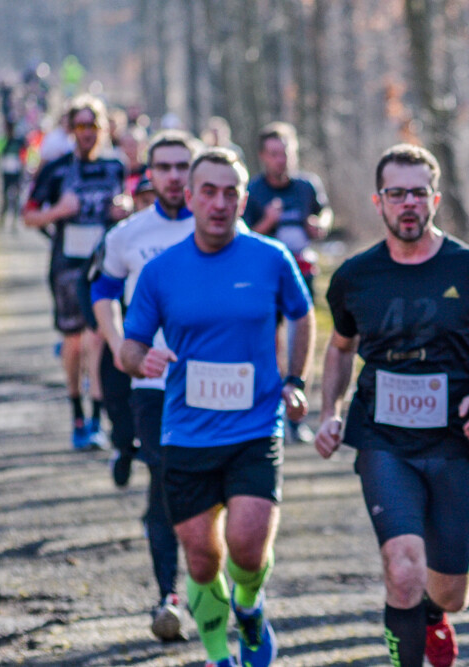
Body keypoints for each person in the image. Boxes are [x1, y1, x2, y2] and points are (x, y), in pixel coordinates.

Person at [119, 147, 316, 667]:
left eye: (231, 192)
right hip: (186, 434)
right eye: (208, 191)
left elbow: (303, 314)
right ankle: (217, 655)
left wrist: (296, 380)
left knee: (247, 548)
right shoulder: (161, 272)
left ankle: (249, 609)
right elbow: (128, 346)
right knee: (203, 560)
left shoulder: (270, 258)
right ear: (189, 198)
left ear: (244, 199)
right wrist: (144, 360)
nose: (220, 203)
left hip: (255, 429)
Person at [314, 143, 469, 667]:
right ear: (378, 201)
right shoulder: (355, 277)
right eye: (396, 193)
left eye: (417, 193)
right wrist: (329, 411)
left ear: (435, 199)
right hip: (383, 439)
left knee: (448, 592)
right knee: (403, 569)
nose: (407, 204)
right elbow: (340, 348)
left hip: (455, 441)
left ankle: (432, 615)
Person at [90, 130, 198, 641]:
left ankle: (212, 582)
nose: (175, 176)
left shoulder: (222, 227)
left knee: (210, 485)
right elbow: (104, 291)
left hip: (218, 383)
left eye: (184, 166)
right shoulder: (128, 234)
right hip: (152, 383)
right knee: (163, 481)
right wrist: (117, 344)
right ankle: (168, 596)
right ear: (149, 174)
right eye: (165, 167)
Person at [23, 94, 130, 450]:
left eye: (93, 126)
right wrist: (59, 212)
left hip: (105, 266)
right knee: (73, 345)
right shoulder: (56, 169)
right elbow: (29, 215)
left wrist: (123, 210)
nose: (87, 133)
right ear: (71, 129)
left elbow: (132, 205)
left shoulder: (116, 166)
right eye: (80, 126)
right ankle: (77, 413)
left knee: (98, 339)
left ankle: (97, 421)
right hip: (67, 267)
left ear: (102, 129)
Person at [244, 121, 333, 443]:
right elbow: (244, 237)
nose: (281, 160)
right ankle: (271, 410)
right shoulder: (253, 191)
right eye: (274, 154)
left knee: (301, 340)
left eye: (286, 153)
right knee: (271, 343)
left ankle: (297, 413)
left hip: (302, 273)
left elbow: (324, 213)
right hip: (266, 277)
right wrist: (266, 221)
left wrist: (318, 225)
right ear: (262, 157)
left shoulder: (306, 186)